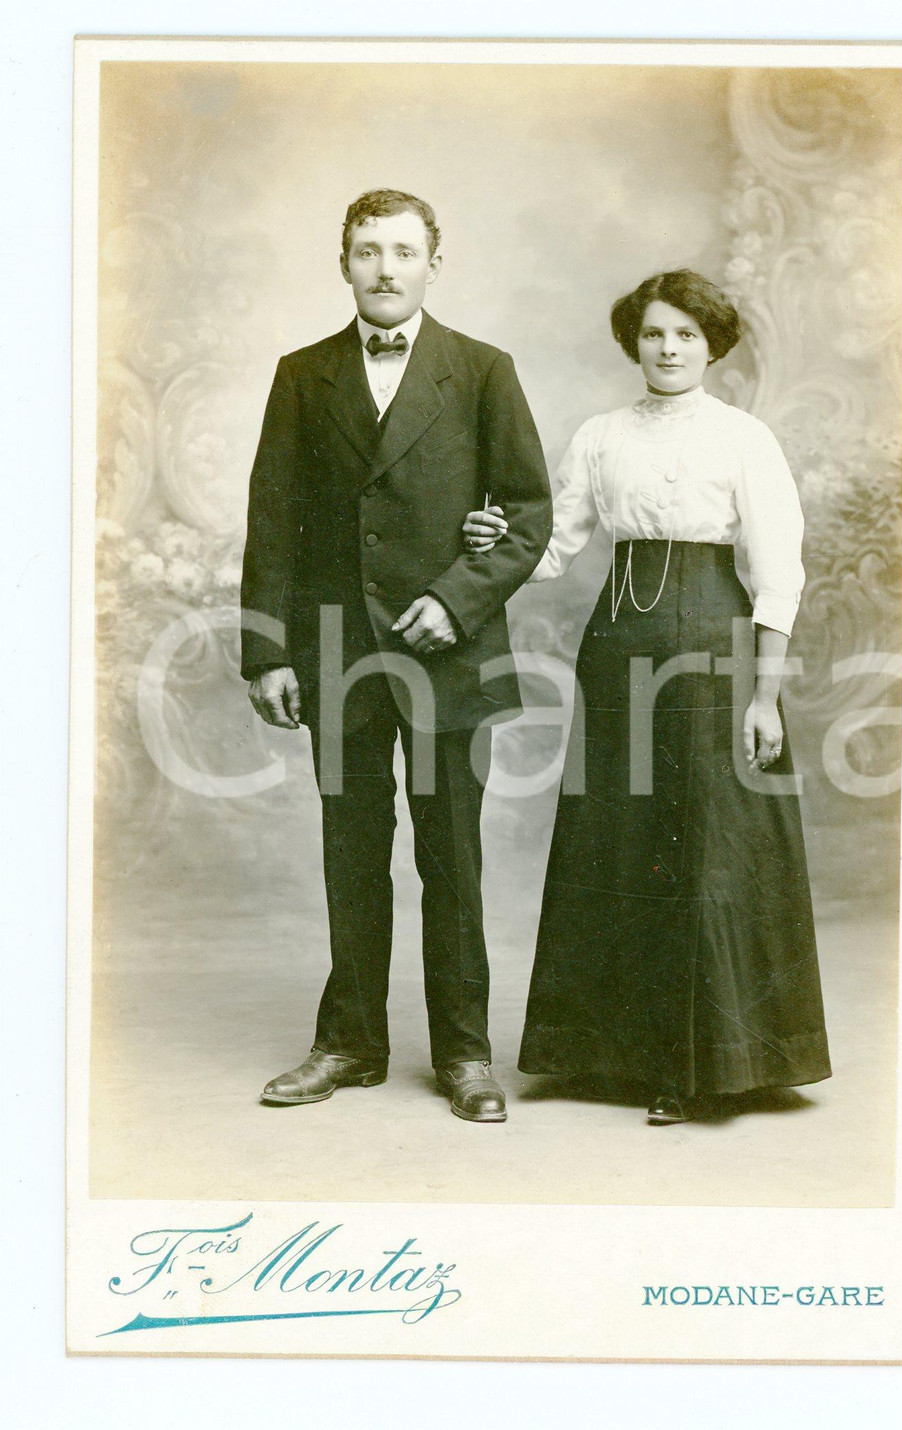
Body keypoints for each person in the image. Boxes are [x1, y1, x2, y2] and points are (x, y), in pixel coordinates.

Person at [463, 269, 831, 1125]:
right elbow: (553, 547)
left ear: (712, 348)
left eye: (686, 337)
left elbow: (776, 575)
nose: (668, 350)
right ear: (634, 341)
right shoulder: (598, 436)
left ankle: (697, 1066)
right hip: (618, 646)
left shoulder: (745, 439)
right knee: (617, 840)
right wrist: (491, 538)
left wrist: (764, 697)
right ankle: (601, 1055)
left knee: (702, 847)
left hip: (712, 647)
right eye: (655, 335)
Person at [241, 188, 552, 1122]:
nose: (385, 269)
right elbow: (271, 523)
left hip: (447, 656)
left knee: (452, 855)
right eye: (367, 252)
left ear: (434, 265)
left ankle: (464, 1054)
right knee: (352, 851)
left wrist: (453, 603)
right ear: (343, 264)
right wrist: (268, 654)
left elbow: (528, 515)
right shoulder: (303, 374)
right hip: (335, 652)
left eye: (404, 252)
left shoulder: (483, 370)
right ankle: (348, 1042)